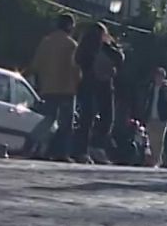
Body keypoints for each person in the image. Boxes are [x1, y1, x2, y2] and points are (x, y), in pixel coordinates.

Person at [25, 14, 80, 161]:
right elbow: (75, 69)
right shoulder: (71, 45)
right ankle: (61, 153)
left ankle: (34, 140)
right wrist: (78, 83)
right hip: (67, 89)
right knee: (66, 124)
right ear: (69, 27)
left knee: (49, 118)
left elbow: (36, 65)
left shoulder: (46, 42)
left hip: (48, 88)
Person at [72, 22, 122, 164]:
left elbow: (78, 61)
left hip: (87, 85)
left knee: (86, 120)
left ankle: (82, 151)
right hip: (103, 86)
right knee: (106, 118)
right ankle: (95, 147)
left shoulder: (83, 49)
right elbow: (119, 59)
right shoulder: (104, 47)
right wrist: (111, 44)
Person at [140, 67, 167, 168]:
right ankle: (154, 159)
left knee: (159, 140)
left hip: (162, 118)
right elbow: (146, 101)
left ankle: (156, 161)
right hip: (151, 117)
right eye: (157, 76)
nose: (158, 78)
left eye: (160, 76)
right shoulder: (150, 88)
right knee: (151, 139)